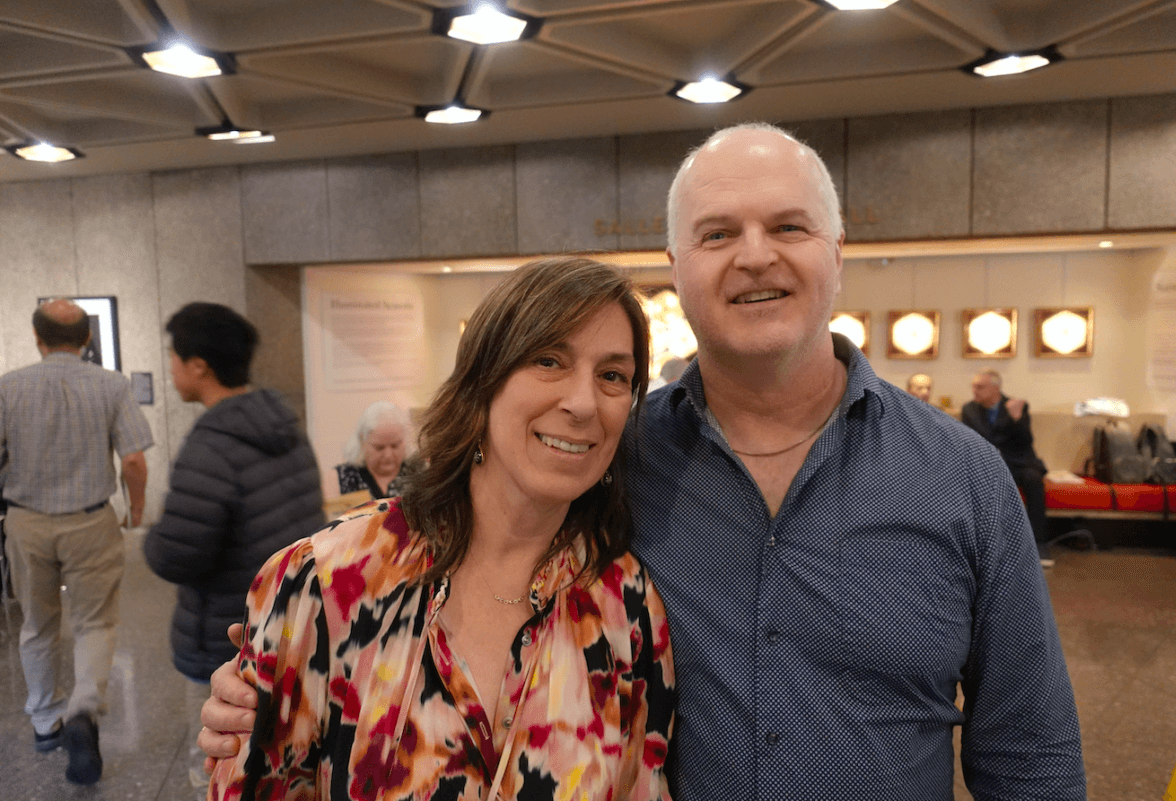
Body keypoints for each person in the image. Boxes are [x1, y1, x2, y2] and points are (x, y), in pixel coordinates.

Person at [201, 124, 1085, 799]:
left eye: (788, 225)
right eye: (717, 233)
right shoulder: (616, 459)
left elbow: (1031, 752)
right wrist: (267, 680)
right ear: (677, 267)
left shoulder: (960, 478)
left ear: (837, 255)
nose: (754, 254)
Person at [205, 257, 674, 800]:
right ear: (483, 383)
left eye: (613, 375)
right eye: (548, 361)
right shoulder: (328, 580)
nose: (582, 402)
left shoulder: (624, 603)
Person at [142, 303, 326, 800]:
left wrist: (151, 538)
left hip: (225, 638)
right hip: (288, 628)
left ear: (199, 365)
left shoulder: (212, 443)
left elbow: (178, 554)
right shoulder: (284, 426)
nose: (172, 368)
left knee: (217, 767)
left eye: (174, 357)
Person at [0, 298, 153, 785]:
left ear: (37, 338)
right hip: (90, 521)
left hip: (26, 522)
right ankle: (83, 712)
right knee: (94, 622)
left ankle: (46, 722)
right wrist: (137, 508)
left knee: (37, 624)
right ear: (87, 338)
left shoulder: (8, 388)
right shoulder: (112, 385)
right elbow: (133, 460)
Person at [960, 369, 1053, 567]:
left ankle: (1039, 544)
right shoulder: (969, 409)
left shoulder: (1017, 406)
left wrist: (1017, 419)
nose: (974, 390)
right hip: (988, 464)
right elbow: (979, 439)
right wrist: (1009, 421)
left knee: (1034, 480)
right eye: (974, 386)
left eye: (980, 387)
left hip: (1019, 462)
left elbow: (1026, 441)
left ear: (996, 388)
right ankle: (989, 546)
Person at [334, 401, 420, 498]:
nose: (388, 455)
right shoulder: (340, 478)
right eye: (379, 448)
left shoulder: (420, 473)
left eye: (395, 446)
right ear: (362, 442)